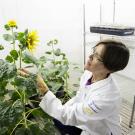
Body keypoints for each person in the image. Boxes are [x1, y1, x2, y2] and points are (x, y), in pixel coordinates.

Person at [19, 40, 129, 135]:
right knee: (57, 119)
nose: (90, 57)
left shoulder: (107, 98)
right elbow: (79, 96)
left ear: (109, 67)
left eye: (96, 56)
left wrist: (43, 88)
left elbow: (67, 115)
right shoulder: (89, 74)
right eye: (93, 51)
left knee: (60, 117)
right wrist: (63, 108)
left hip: (99, 130)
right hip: (85, 119)